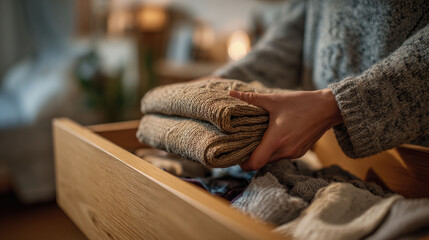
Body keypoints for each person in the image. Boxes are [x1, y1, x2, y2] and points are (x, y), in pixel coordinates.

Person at [212, 0, 429, 171]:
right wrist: (222, 80)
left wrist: (337, 106)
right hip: (323, 150)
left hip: (414, 167)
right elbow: (304, 23)